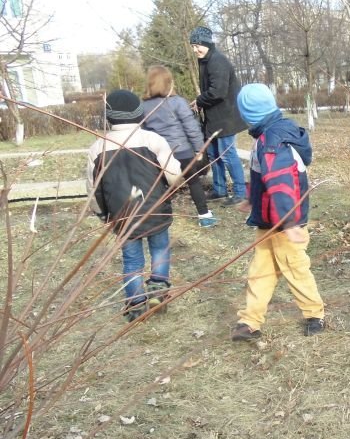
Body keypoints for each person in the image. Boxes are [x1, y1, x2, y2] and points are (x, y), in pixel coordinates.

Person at [230, 83, 325, 341]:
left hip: (284, 222)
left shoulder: (272, 142)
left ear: (247, 115)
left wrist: (290, 222)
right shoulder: (266, 136)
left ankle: (314, 314)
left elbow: (281, 183)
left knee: (295, 268)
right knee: (260, 271)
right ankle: (250, 321)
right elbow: (261, 175)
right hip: (268, 220)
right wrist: (251, 199)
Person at [87, 89, 182, 322]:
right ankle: (158, 289)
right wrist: (174, 188)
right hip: (155, 209)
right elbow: (174, 174)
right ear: (140, 114)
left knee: (132, 261)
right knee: (160, 249)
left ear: (109, 117)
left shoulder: (98, 148)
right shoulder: (152, 140)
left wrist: (101, 213)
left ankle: (136, 305)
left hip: (122, 215)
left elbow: (93, 188)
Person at [141, 65, 218, 228]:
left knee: (159, 185)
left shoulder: (144, 106)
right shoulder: (177, 102)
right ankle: (204, 216)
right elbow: (191, 127)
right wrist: (199, 149)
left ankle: (160, 217)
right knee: (193, 182)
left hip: (158, 154)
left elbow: (144, 133)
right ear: (169, 82)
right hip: (182, 151)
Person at [189, 26, 248, 206]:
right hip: (214, 118)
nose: (195, 49)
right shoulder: (206, 60)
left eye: (197, 45)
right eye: (192, 46)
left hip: (226, 118)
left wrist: (199, 101)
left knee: (228, 155)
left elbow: (218, 92)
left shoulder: (217, 61)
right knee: (214, 154)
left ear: (206, 43)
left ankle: (240, 192)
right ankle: (219, 189)